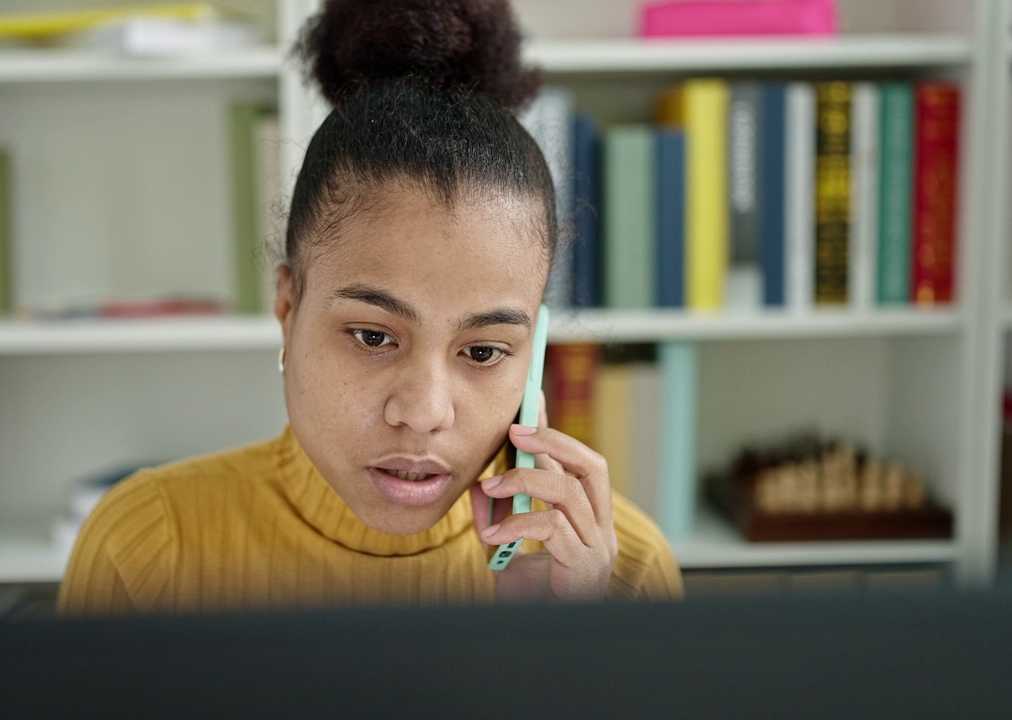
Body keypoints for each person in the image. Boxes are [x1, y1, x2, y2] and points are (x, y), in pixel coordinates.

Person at [58, 0, 683, 615]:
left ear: (535, 353)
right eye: (373, 336)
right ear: (287, 305)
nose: (423, 413)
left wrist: (561, 645)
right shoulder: (148, 545)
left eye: (484, 351)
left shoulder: (622, 574)